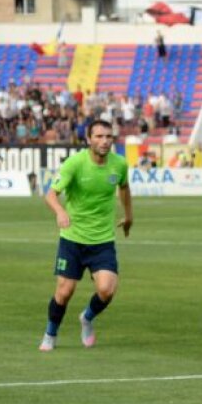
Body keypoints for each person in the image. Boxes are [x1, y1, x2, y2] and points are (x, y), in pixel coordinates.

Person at [39, 119, 132, 351]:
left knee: (107, 290)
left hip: (103, 240)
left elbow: (124, 187)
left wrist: (129, 216)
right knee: (64, 292)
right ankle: (50, 333)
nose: (105, 141)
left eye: (108, 137)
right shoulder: (75, 163)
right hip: (73, 239)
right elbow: (51, 194)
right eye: (99, 136)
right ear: (88, 139)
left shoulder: (119, 164)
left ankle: (87, 318)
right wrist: (60, 211)